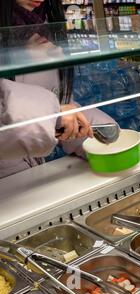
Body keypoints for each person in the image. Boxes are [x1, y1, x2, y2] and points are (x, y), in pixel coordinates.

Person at [0, 0, 115, 178]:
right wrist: (54, 116)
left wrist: (104, 134)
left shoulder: (39, 22)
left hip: (24, 173)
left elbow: (59, 103)